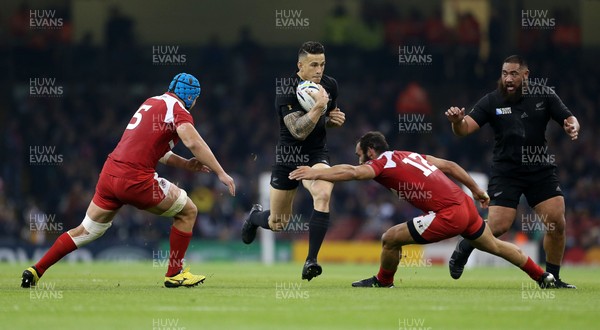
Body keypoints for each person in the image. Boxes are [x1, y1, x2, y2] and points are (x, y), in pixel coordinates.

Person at [21, 73, 236, 288]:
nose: (196, 103)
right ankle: (174, 273)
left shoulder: (151, 102)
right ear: (190, 97)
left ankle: (36, 269)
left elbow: (155, 151)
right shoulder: (178, 110)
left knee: (87, 230)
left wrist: (186, 164)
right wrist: (221, 172)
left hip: (110, 174)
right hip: (135, 179)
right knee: (188, 210)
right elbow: (194, 142)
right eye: (196, 98)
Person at [289, 131, 556, 288]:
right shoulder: (410, 155)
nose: (358, 159)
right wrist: (475, 190)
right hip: (464, 206)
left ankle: (383, 281)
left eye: (360, 154)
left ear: (370, 151)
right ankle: (542, 276)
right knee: (495, 246)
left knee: (390, 238)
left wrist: (316, 172)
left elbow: (353, 172)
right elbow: (449, 165)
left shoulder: (381, 163)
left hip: (449, 214)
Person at [445, 55, 579, 288]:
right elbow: (464, 129)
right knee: (498, 226)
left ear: (525, 75)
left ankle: (552, 279)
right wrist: (457, 121)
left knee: (556, 222)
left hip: (540, 168)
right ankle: (465, 246)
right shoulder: (492, 101)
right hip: (506, 171)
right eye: (505, 73)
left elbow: (569, 117)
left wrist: (572, 124)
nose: (508, 78)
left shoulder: (544, 95)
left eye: (513, 74)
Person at [241, 41, 346, 281]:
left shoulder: (330, 85)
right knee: (278, 223)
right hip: (288, 158)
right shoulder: (287, 88)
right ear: (300, 65)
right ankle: (254, 217)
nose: (319, 70)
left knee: (322, 193)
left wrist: (334, 119)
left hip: (316, 155)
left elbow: (326, 120)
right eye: (313, 65)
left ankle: (311, 260)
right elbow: (297, 130)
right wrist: (320, 108)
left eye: (322, 64)